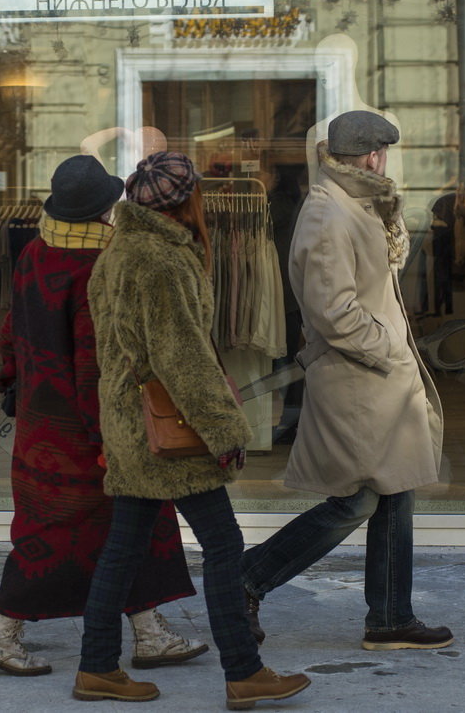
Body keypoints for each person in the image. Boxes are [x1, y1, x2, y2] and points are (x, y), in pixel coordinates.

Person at [74, 151, 311, 707]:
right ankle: (244, 671)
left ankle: (96, 667)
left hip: (131, 423)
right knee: (224, 545)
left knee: (123, 550)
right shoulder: (162, 259)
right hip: (167, 433)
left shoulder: (118, 252)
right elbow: (182, 358)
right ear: (186, 201)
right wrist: (226, 432)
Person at [0, 155, 207, 676]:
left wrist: (12, 383)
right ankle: (0, 634)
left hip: (40, 425)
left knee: (105, 528)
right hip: (85, 429)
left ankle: (148, 632)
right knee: (85, 532)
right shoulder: (97, 267)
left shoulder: (36, 251)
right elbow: (92, 363)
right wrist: (106, 437)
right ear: (104, 211)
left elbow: (11, 329)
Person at [241, 110, 452, 651]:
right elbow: (333, 310)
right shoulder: (326, 211)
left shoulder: (360, 202)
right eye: (379, 152)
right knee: (356, 500)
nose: (384, 162)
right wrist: (388, 348)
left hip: (380, 380)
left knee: (395, 492)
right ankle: (246, 578)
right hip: (359, 378)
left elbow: (376, 280)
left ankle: (390, 618)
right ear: (368, 156)